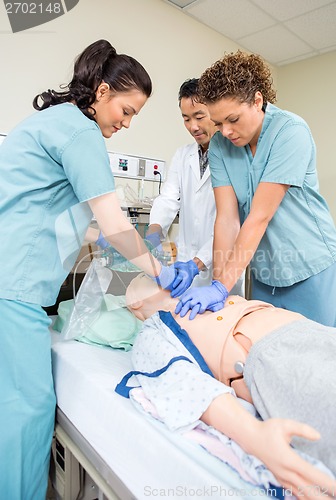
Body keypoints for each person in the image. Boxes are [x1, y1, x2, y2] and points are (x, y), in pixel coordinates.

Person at [0, 39, 176, 499]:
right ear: (100, 92)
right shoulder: (81, 134)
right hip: (12, 286)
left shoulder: (52, 123)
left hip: (10, 277)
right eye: (126, 108)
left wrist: (119, 249)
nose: (127, 121)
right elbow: (116, 225)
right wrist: (161, 271)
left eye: (135, 114)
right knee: (30, 408)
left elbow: (76, 225)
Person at [120, 273, 336, 499]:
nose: (158, 270)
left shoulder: (212, 295)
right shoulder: (156, 328)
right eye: (144, 276)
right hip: (284, 360)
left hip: (326, 336)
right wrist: (253, 436)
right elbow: (184, 383)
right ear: (135, 302)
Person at [174, 51, 336, 328]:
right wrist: (221, 287)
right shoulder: (219, 146)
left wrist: (220, 287)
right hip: (266, 273)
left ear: (257, 101)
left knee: (318, 357)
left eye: (233, 119)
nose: (226, 132)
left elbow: (258, 216)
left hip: (312, 266)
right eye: (218, 123)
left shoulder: (289, 132)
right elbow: (227, 219)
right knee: (267, 352)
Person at [146, 78, 225, 296]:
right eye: (186, 119)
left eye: (199, 117)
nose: (193, 126)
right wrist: (154, 230)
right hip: (185, 262)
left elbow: (231, 221)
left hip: (219, 265)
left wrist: (198, 263)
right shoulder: (183, 155)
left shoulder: (233, 156)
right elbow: (169, 198)